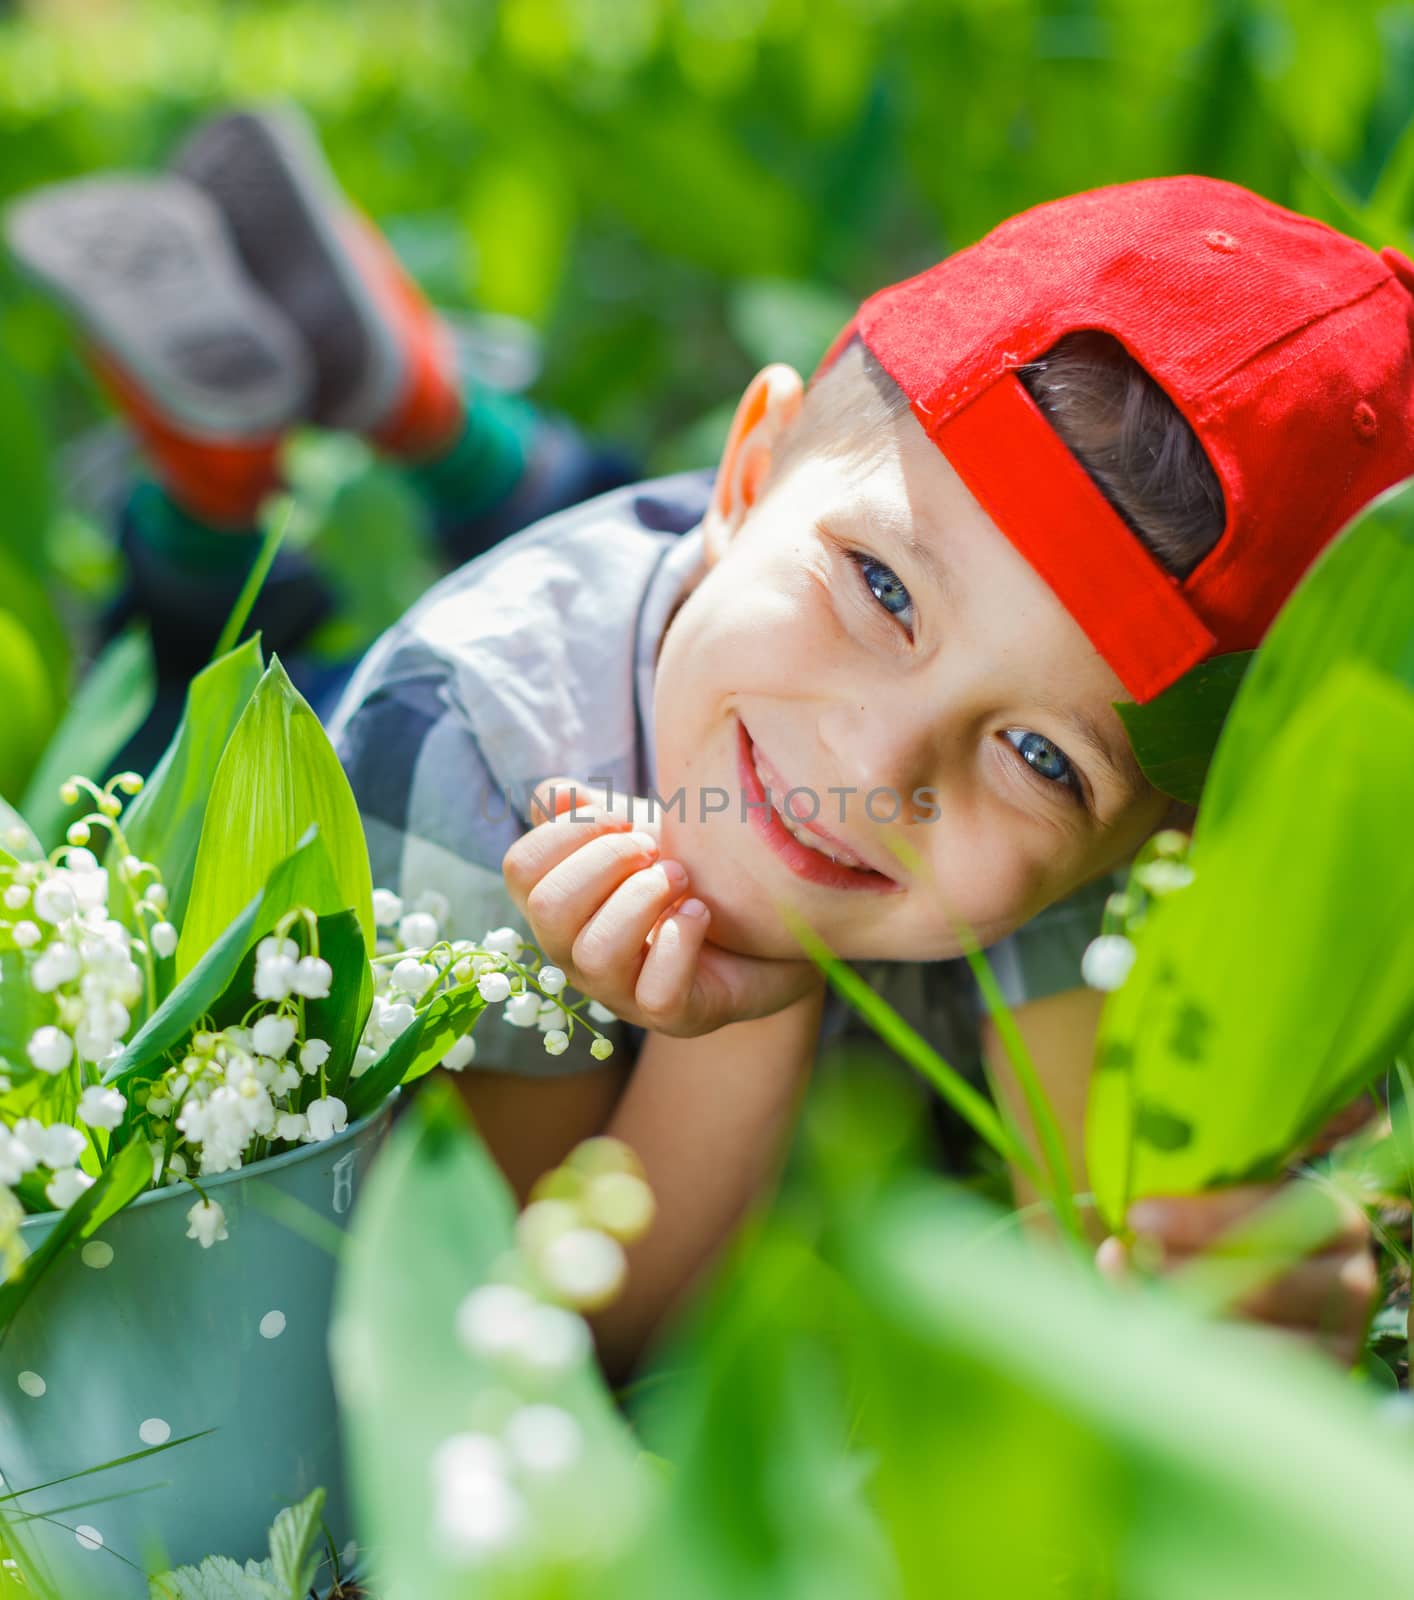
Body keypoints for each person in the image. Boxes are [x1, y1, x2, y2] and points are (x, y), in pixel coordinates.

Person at [330, 175, 1409, 1376]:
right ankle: (360, 465)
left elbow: (1104, 1277)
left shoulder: (1098, 857)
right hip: (549, 650)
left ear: (1164, 841)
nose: (880, 762)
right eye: (880, 586)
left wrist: (1222, 1324)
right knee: (250, 633)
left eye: (1039, 755)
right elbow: (536, 1346)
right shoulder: (469, 746)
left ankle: (470, 438)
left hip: (714, 622)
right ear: (746, 472)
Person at [4, 104, 634, 766]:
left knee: (176, 727)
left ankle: (238, 473)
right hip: (507, 744)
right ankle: (425, 421)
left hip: (412, 748)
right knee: (630, 608)